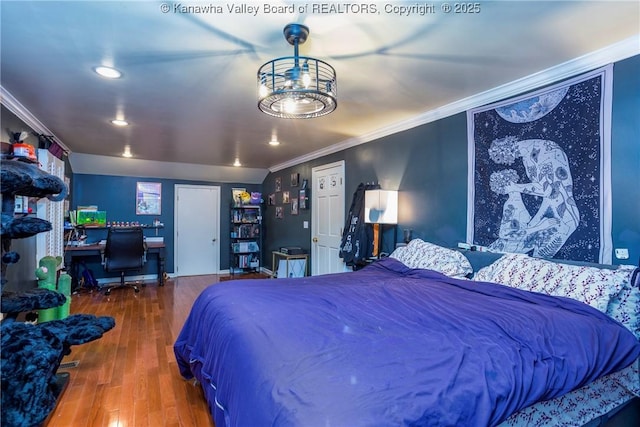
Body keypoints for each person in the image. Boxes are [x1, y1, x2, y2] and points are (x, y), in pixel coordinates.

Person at [488, 137, 580, 257]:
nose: (507, 161)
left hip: (565, 217)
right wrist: (537, 224)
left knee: (540, 262)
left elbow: (548, 191)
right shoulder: (527, 157)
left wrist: (515, 187)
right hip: (553, 216)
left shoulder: (546, 150)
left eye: (501, 158)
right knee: (536, 262)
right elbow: (548, 199)